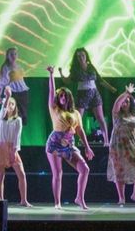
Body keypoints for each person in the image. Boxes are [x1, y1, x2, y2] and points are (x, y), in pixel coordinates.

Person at [45, 66, 94, 210]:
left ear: (69, 98)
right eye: (61, 96)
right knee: (58, 173)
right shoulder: (54, 109)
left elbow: (80, 130)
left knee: (84, 169)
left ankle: (79, 198)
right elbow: (51, 91)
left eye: (65, 96)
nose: (63, 98)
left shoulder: (76, 113)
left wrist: (87, 147)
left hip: (69, 145)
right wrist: (51, 75)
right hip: (54, 144)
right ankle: (57, 202)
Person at [59, 48, 117, 146]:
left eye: (83, 55)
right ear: (76, 58)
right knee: (77, 119)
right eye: (79, 56)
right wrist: (61, 73)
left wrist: (111, 88)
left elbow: (100, 80)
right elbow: (67, 81)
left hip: (94, 93)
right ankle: (74, 140)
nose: (81, 57)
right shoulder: (75, 69)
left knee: (100, 118)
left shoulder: (91, 66)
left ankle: (107, 141)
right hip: (82, 94)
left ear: (86, 56)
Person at [107, 84, 135, 206]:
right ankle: (121, 198)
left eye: (127, 101)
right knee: (119, 172)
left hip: (133, 146)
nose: (125, 103)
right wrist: (126, 93)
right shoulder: (116, 115)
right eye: (123, 102)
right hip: (118, 147)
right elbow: (116, 104)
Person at [0, 87, 31, 206]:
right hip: (1, 146)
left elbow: (17, 137)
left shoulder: (18, 120)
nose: (10, 105)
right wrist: (8, 96)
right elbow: (3, 111)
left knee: (21, 173)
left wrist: (14, 151)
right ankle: (0, 200)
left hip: (12, 147)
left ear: (15, 107)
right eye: (8, 103)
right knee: (0, 175)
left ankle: (23, 200)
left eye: (12, 104)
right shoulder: (1, 117)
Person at [0, 47, 30, 124]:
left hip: (23, 93)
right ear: (8, 56)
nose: (14, 56)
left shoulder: (19, 66)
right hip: (13, 93)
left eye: (15, 54)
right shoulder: (5, 68)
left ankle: (19, 129)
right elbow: (1, 83)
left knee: (23, 116)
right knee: (13, 116)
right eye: (11, 54)